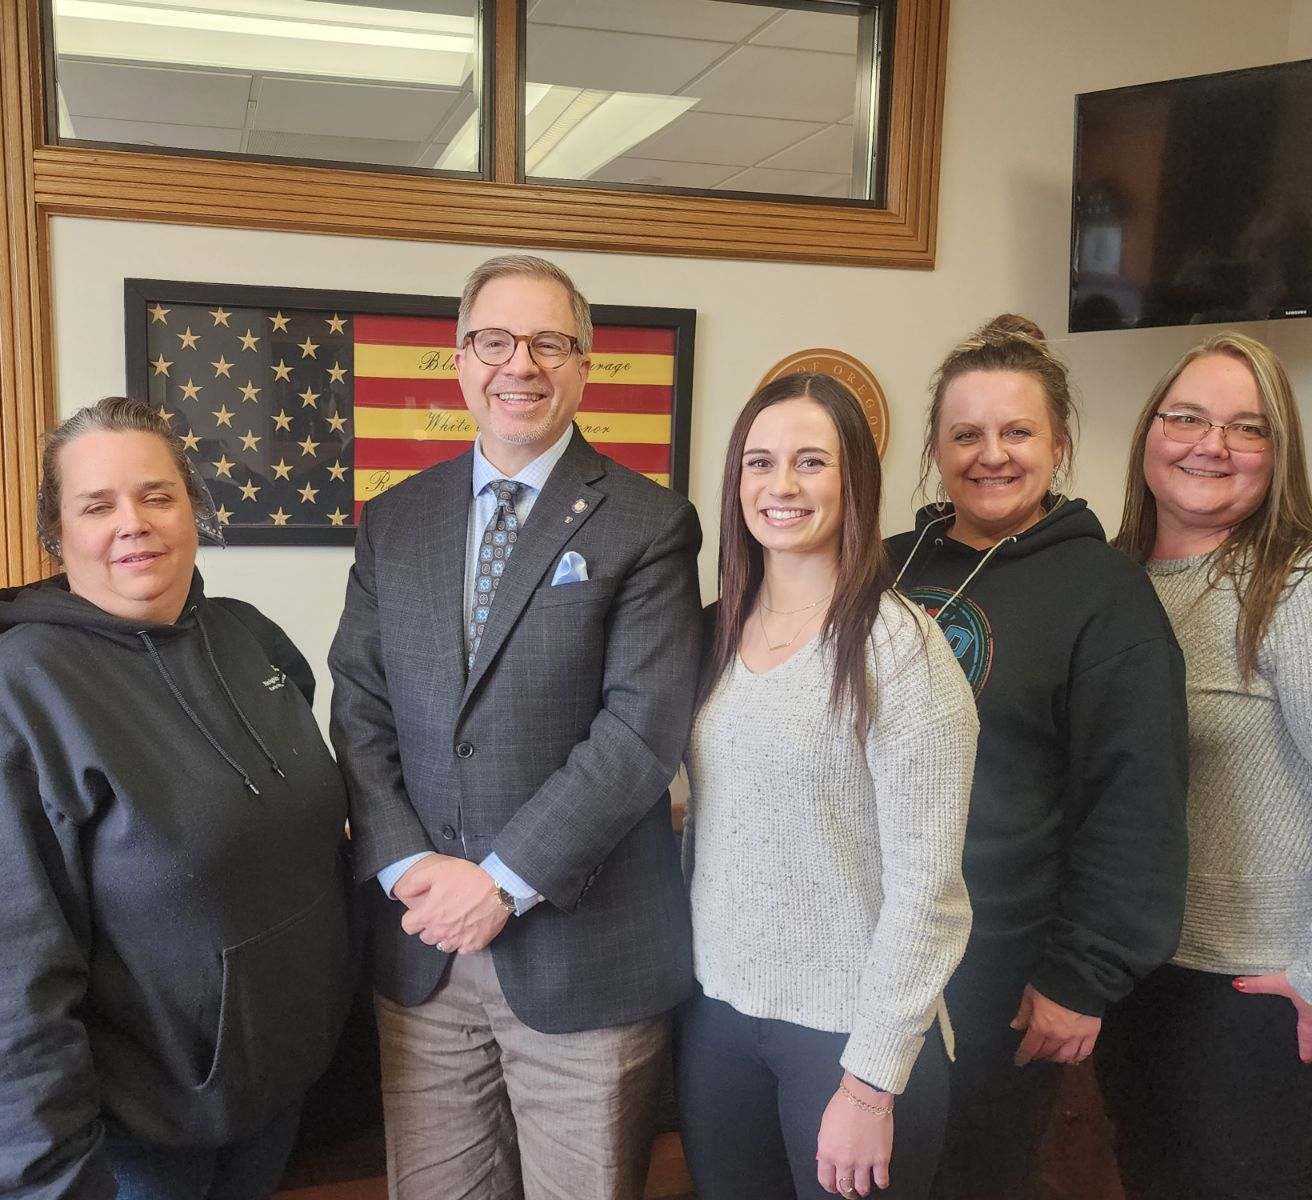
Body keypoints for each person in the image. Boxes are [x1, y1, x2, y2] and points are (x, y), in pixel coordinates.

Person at [0, 397, 352, 1200]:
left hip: (274, 1103)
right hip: (133, 1146)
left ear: (193, 510)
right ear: (57, 533)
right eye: (97, 505)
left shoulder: (248, 636)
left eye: (156, 496)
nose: (133, 523)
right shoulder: (15, 700)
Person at [329, 254, 702, 1200]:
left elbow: (639, 733)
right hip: (422, 954)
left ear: (583, 364)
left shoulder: (650, 524)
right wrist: (412, 868)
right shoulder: (394, 521)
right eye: (494, 341)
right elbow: (359, 705)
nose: (519, 365)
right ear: (460, 361)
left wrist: (498, 884)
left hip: (582, 961)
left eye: (548, 342)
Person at [884, 316, 1188, 1198]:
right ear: (935, 447)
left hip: (1001, 976)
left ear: (1059, 443)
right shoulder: (888, 569)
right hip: (873, 952)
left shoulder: (1107, 596)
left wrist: (1081, 978)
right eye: (965, 434)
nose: (991, 455)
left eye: (1017, 432)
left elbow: (1135, 802)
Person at [677, 373, 977, 1200]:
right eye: (760, 462)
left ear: (855, 484)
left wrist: (870, 1084)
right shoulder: (713, 633)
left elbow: (931, 892)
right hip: (720, 1019)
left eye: (812, 462)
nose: (781, 486)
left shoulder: (902, 651)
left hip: (848, 1038)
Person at [1097, 332, 1312, 1199]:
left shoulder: (1291, 587)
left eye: (1246, 428)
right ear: (1150, 432)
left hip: (1253, 995)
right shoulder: (1105, 585)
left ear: (1279, 454)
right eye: (1186, 416)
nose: (1210, 444)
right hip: (1129, 981)